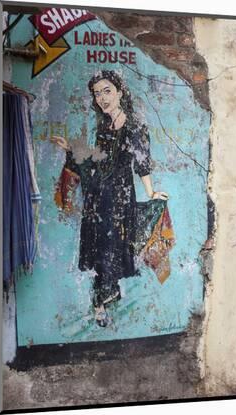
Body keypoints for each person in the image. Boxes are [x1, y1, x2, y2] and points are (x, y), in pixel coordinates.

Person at [52, 70, 168, 327]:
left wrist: (151, 191)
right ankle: (108, 292)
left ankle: (100, 299)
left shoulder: (134, 125)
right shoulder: (103, 125)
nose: (102, 98)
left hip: (119, 197)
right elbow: (98, 158)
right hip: (97, 194)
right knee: (98, 245)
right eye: (97, 93)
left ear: (119, 91)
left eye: (107, 91)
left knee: (112, 244)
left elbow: (141, 161)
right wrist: (71, 149)